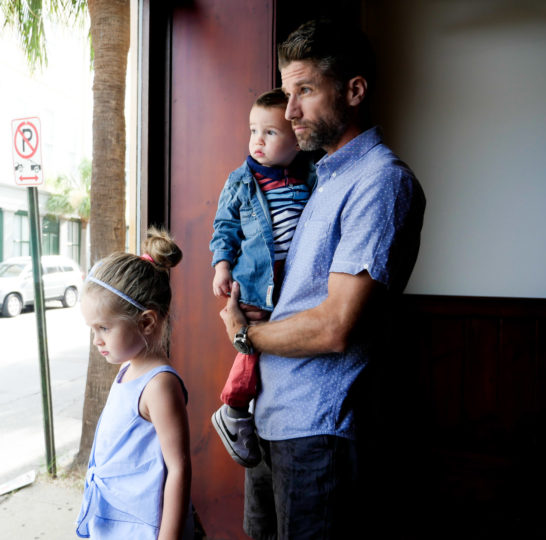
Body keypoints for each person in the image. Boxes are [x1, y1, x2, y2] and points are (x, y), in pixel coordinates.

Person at [219, 19, 426, 539]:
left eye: (305, 91)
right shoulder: (323, 178)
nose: (289, 112)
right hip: (274, 421)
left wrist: (246, 335)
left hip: (319, 431)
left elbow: (336, 325)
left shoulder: (380, 181)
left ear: (354, 90)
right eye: (287, 94)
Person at [209, 89, 316, 468]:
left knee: (273, 347)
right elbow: (225, 228)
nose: (258, 140)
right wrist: (222, 266)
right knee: (252, 345)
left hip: (293, 283)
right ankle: (234, 407)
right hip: (255, 281)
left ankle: (249, 407)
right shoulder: (241, 181)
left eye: (270, 133)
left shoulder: (308, 177)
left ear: (297, 140)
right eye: (254, 130)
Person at [75, 227, 194, 540]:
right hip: (113, 521)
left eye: (103, 328)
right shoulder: (128, 369)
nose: (96, 340)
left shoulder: (159, 385)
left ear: (146, 322)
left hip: (140, 529)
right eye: (92, 329)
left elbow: (178, 469)